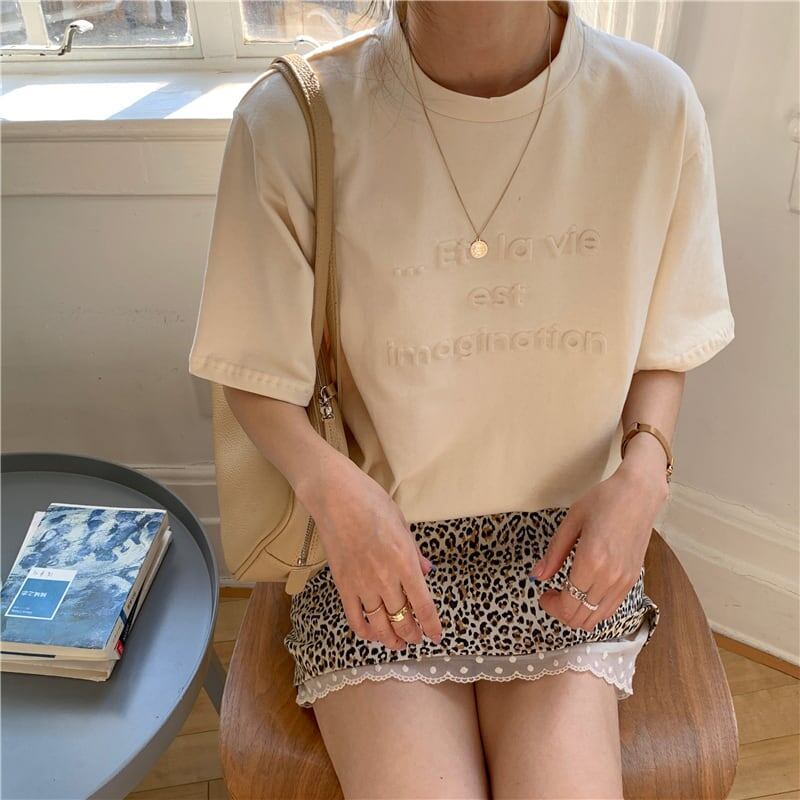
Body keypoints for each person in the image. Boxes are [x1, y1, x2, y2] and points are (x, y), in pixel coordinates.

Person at [188, 0, 735, 796]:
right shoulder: (293, 119)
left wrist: (644, 475)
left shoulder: (653, 106)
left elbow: (665, 338)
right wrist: (334, 493)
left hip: (566, 549)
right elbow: (252, 369)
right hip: (378, 550)